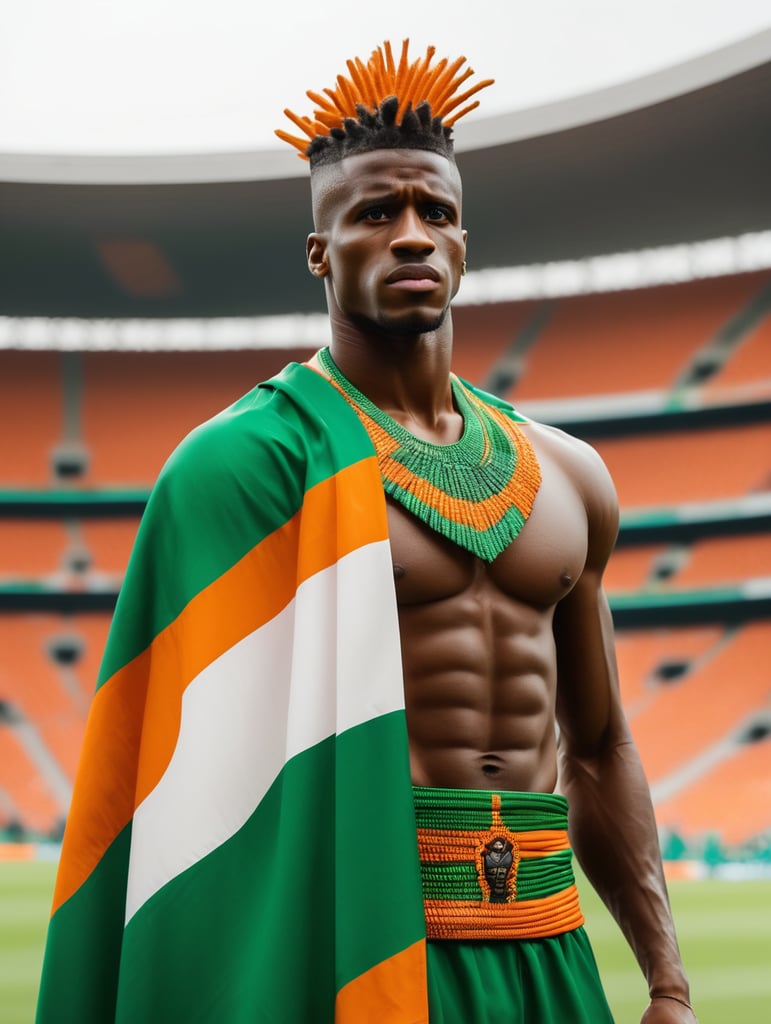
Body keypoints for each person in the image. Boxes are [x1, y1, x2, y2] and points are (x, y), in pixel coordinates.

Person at [37, 41, 697, 1024]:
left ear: (466, 243)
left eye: (435, 212)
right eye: (375, 214)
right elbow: (196, 795)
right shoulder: (247, 466)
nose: (412, 235)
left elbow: (597, 745)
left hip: (551, 947)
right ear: (321, 252)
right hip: (362, 947)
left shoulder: (570, 475)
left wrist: (668, 981)